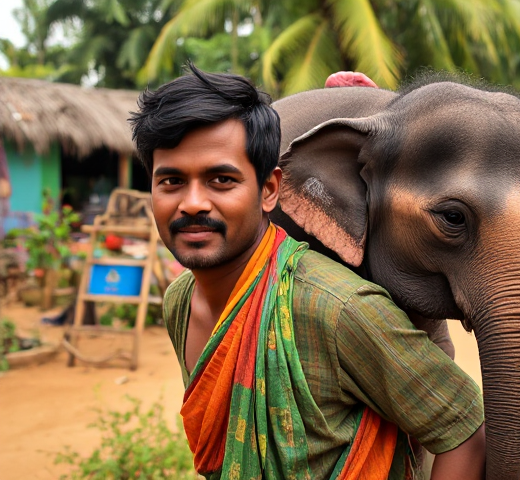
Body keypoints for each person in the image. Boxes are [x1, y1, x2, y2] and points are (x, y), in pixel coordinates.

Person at [129, 64, 486, 480]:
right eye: (171, 181)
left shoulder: (337, 309)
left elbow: (467, 432)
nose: (192, 203)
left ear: (268, 190)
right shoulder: (180, 301)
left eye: (221, 180)